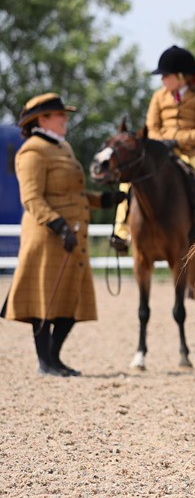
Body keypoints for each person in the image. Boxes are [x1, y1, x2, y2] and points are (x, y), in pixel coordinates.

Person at [2, 94, 123, 376]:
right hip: (48, 236)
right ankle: (45, 362)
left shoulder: (63, 148)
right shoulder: (32, 152)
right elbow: (31, 198)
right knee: (43, 299)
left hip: (74, 235)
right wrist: (57, 225)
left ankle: (54, 358)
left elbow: (73, 193)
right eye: (60, 115)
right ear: (41, 119)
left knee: (73, 300)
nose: (65, 120)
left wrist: (104, 201)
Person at [110, 45, 195, 253]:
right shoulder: (159, 97)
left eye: (166, 75)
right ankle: (121, 231)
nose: (162, 80)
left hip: (194, 152)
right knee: (128, 181)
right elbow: (151, 128)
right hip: (162, 153)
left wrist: (176, 140)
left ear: (181, 76)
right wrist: (163, 142)